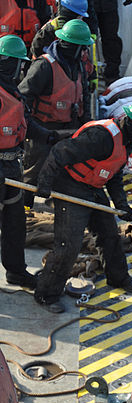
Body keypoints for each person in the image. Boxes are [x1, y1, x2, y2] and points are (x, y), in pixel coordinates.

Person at [33, 100, 132, 313]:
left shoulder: (126, 140)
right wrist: (44, 183)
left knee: (109, 234)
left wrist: (121, 205)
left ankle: (118, 277)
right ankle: (46, 294)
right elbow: (59, 151)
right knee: (68, 245)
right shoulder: (101, 136)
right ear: (129, 121)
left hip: (93, 187)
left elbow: (114, 174)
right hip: (70, 184)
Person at [0, 35, 59, 289]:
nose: (21, 68)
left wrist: (46, 135)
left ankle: (15, 271)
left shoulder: (11, 90)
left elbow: (22, 121)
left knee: (14, 222)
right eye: (17, 63)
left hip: (12, 166)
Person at [18, 18, 93, 209]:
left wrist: (87, 126)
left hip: (69, 126)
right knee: (33, 173)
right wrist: (33, 130)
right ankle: (24, 209)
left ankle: (60, 208)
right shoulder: (44, 66)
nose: (85, 51)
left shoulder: (77, 65)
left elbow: (84, 94)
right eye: (82, 47)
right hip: (42, 128)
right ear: (72, 46)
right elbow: (22, 98)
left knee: (65, 171)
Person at [30, 0, 98, 59]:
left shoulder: (79, 30)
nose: (80, 18)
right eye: (79, 16)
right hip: (50, 68)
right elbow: (36, 49)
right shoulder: (51, 27)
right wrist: (49, 29)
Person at [93, 0, 122, 85]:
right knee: (86, 40)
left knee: (111, 40)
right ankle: (85, 75)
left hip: (109, 7)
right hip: (87, 8)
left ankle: (112, 75)